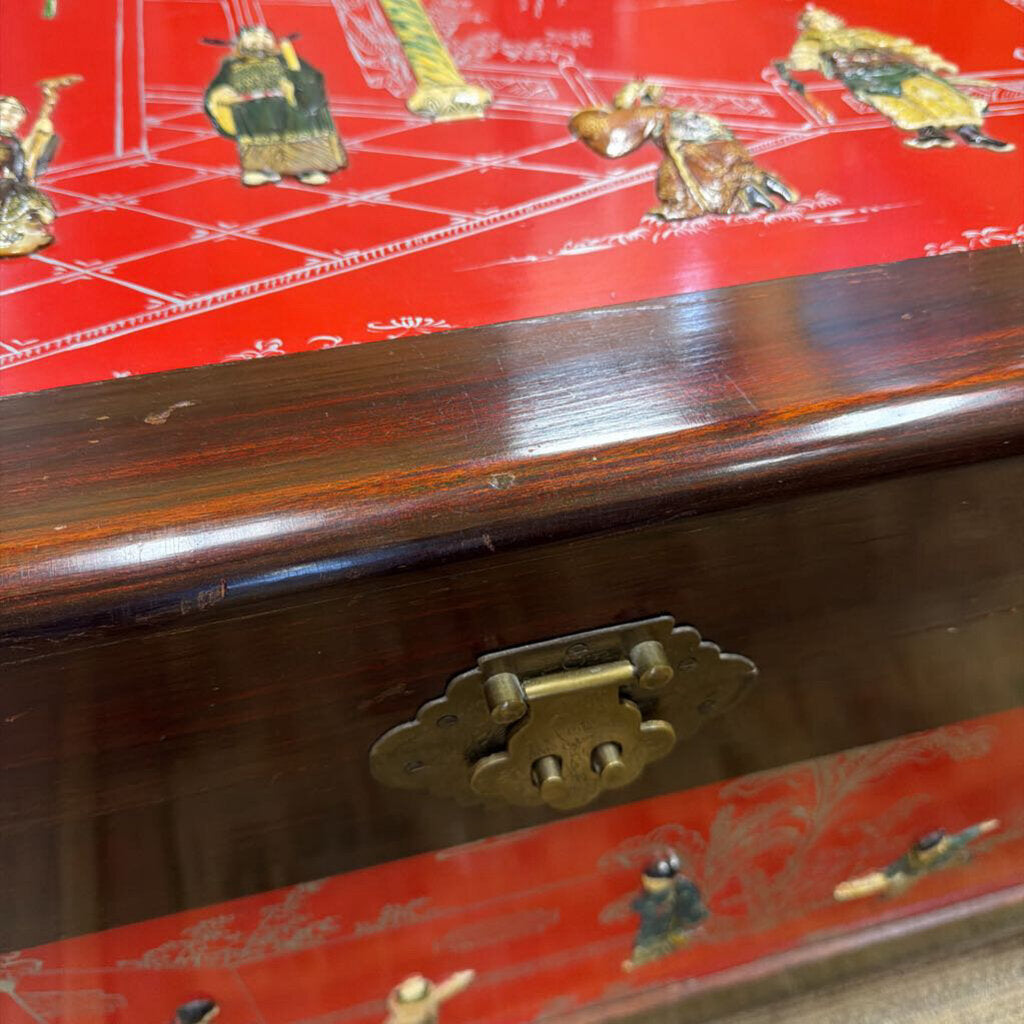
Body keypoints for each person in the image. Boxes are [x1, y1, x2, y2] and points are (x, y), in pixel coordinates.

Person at [776, 5, 1014, 151]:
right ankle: (929, 133)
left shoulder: (859, 33)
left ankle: (971, 133)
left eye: (825, 16)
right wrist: (794, 63)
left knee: (938, 93)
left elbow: (896, 44)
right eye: (818, 18)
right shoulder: (810, 42)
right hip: (864, 78)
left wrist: (930, 60)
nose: (826, 19)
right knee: (897, 105)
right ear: (809, 25)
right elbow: (803, 60)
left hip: (898, 68)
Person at [570, 82, 797, 221]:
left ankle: (747, 190)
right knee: (698, 167)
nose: (587, 135)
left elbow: (611, 142)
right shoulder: (643, 113)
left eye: (586, 130)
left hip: (687, 136)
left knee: (686, 171)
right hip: (699, 132)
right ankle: (754, 186)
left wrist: (625, 108)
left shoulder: (635, 117)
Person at [204, 25, 347, 187]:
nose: (259, 41)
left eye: (265, 37)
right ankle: (259, 169)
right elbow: (217, 88)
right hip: (253, 114)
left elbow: (311, 80)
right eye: (252, 37)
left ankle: (308, 168)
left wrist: (297, 82)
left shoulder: (286, 60)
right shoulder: (231, 66)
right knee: (258, 141)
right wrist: (220, 94)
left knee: (302, 133)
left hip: (291, 110)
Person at [0, 79, 77, 257]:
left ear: (19, 120)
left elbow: (20, 171)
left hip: (8, 191)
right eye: (3, 110)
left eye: (14, 112)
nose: (7, 114)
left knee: (33, 205)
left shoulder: (13, 143)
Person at [834, 819, 1000, 901]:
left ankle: (978, 864)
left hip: (942, 863)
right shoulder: (911, 859)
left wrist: (984, 826)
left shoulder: (947, 845)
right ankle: (849, 893)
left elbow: (965, 836)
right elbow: (891, 871)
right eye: (924, 852)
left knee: (966, 858)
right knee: (890, 885)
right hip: (911, 873)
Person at [623, 851, 708, 971]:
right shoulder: (652, 894)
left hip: (678, 933)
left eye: (657, 881)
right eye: (648, 880)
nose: (651, 884)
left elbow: (693, 919)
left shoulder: (684, 891)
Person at [383, 970, 475, 1024]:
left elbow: (448, 989)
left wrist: (462, 979)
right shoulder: (430, 1001)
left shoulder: (399, 1014)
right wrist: (463, 979)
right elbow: (448, 989)